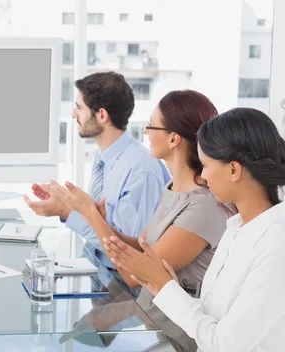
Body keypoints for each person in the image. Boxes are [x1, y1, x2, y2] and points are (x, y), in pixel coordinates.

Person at [85, 108, 285, 351]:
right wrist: (166, 287)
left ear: (234, 170)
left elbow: (223, 344)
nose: (202, 175)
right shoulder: (236, 228)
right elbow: (215, 312)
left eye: (206, 165)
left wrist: (165, 286)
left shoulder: (275, 247)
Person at [51, 90, 231, 351]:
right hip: (153, 323)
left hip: (179, 337)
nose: (145, 132)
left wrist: (90, 214)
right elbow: (140, 245)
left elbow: (137, 274)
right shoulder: (173, 187)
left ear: (173, 138)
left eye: (151, 125)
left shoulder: (203, 205)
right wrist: (98, 220)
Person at [24, 71, 170, 269]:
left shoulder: (140, 170)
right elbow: (103, 223)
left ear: (101, 115)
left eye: (79, 107)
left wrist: (67, 212)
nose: (73, 114)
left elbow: (129, 251)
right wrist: (68, 203)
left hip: (124, 288)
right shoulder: (105, 157)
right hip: (99, 270)